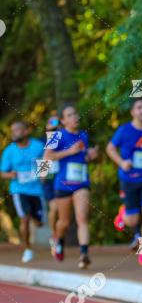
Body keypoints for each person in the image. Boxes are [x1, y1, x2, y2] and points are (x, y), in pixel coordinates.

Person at [106, 98, 142, 267]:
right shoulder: (124, 130)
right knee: (132, 221)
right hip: (129, 178)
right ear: (132, 112)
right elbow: (109, 148)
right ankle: (123, 213)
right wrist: (122, 163)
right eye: (139, 107)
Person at [43, 104, 99, 269]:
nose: (75, 117)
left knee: (82, 218)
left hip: (81, 183)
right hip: (63, 184)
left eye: (75, 114)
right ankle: (58, 240)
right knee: (64, 222)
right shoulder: (56, 135)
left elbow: (84, 157)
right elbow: (48, 157)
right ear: (63, 120)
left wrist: (91, 155)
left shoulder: (84, 135)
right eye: (70, 115)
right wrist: (69, 151)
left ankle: (84, 254)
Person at [0, 120, 45, 263]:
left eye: (18, 129)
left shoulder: (38, 146)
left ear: (26, 131)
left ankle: (33, 216)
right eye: (12, 131)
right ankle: (28, 249)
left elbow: (46, 162)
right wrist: (10, 175)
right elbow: (2, 172)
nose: (14, 133)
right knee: (24, 219)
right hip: (18, 190)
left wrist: (43, 176)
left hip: (36, 190)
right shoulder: (9, 151)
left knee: (38, 223)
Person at [41, 113, 60, 250]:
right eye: (51, 127)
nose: (54, 130)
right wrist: (42, 174)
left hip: (64, 176)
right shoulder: (42, 141)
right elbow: (42, 158)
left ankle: (59, 235)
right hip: (50, 177)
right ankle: (54, 235)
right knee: (54, 208)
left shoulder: (65, 139)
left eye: (56, 127)